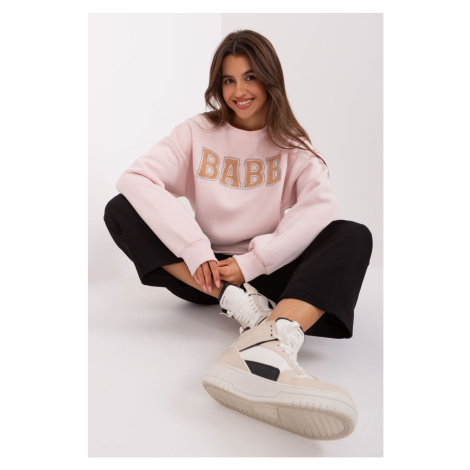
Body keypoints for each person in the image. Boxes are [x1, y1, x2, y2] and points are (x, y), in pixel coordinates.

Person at [104, 29, 373, 440]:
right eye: (228, 80)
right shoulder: (196, 132)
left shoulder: (291, 145)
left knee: (353, 235)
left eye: (250, 77)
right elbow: (136, 178)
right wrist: (196, 250)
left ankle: (270, 341)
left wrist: (252, 263)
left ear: (269, 79)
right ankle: (242, 306)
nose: (239, 91)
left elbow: (321, 208)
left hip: (264, 269)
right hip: (205, 275)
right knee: (121, 208)